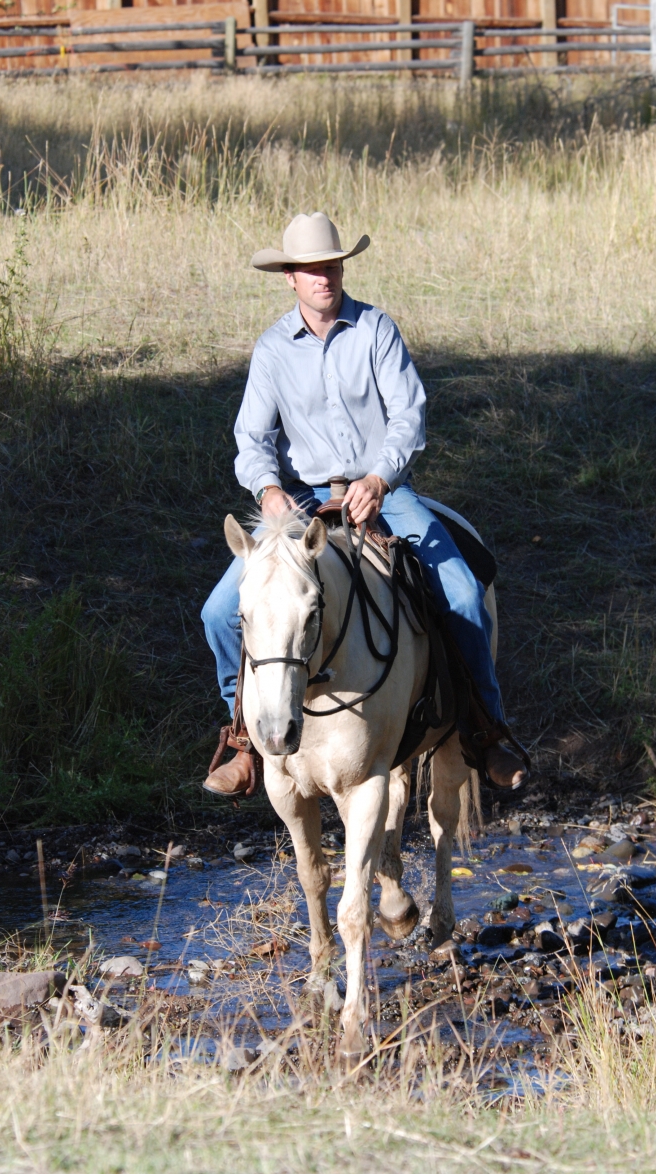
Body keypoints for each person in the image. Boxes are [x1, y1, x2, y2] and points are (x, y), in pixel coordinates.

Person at [201, 211, 528, 797]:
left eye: (331, 265)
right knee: (218, 612)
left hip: (382, 491)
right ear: (290, 278)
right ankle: (244, 737)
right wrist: (268, 491)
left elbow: (408, 415)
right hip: (300, 503)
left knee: (460, 593)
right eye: (310, 268)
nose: (323, 276)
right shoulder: (272, 349)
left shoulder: (376, 329)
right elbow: (251, 439)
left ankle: (485, 730)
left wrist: (378, 478)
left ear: (341, 268)